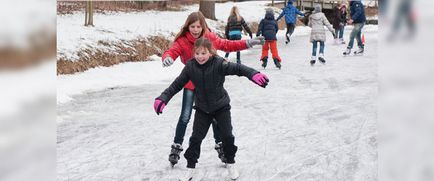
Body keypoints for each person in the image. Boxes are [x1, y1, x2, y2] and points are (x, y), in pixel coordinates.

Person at [154, 38, 269, 181]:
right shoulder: (190, 67)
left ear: (210, 52)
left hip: (221, 107)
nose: (200, 56)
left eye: (203, 53)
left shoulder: (219, 63)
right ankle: (190, 168)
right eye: (197, 53)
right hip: (202, 109)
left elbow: (238, 69)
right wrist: (163, 98)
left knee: (227, 136)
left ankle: (231, 163)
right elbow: (176, 84)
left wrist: (253, 74)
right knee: (195, 139)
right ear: (193, 53)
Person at [161, 11, 265, 166]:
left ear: (203, 26)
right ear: (187, 26)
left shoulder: (209, 37)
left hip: (209, 86)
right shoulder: (182, 41)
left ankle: (221, 146)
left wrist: (247, 43)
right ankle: (176, 146)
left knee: (216, 116)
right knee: (185, 116)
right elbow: (172, 51)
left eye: (198, 26)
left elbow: (227, 44)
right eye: (192, 26)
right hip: (191, 84)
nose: (195, 29)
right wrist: (167, 57)